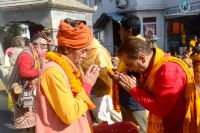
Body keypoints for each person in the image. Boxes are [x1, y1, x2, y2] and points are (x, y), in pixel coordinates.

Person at [117, 37, 200, 133]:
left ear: (141, 58)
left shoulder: (169, 70)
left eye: (129, 64)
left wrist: (134, 90)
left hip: (178, 127)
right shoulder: (154, 65)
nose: (129, 69)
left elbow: (161, 110)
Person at [35, 18, 100, 133]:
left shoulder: (70, 68)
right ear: (66, 49)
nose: (85, 56)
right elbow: (69, 115)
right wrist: (87, 86)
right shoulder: (53, 72)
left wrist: (83, 85)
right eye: (83, 51)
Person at [112, 15, 147, 133]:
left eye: (121, 29)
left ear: (129, 31)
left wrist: (118, 76)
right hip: (127, 95)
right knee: (128, 128)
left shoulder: (138, 46)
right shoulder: (128, 46)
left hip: (135, 98)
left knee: (139, 128)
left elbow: (138, 73)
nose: (119, 32)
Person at [8, 34, 48, 133]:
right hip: (23, 92)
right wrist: (41, 70)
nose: (45, 48)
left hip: (28, 90)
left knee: (31, 122)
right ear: (34, 44)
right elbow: (24, 72)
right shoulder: (27, 54)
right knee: (29, 122)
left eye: (45, 45)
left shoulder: (32, 53)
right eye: (43, 45)